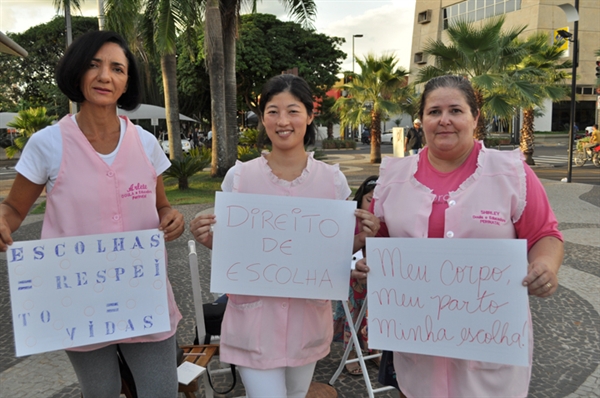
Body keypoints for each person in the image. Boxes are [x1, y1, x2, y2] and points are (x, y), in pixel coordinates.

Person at [353, 75, 564, 398]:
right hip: (418, 347)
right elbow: (382, 241)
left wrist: (545, 267)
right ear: (421, 119)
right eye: (434, 111)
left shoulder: (511, 173)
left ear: (475, 117)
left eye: (456, 110)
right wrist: (370, 260)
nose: (445, 120)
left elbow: (544, 234)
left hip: (490, 350)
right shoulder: (394, 177)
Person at [0, 31, 185, 398]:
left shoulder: (146, 143)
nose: (105, 76)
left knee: (160, 391)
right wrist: (2, 221)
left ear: (127, 81)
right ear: (76, 72)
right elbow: (14, 208)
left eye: (117, 68)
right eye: (93, 65)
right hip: (78, 299)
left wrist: (172, 217)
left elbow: (161, 205)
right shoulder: (48, 144)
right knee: (100, 392)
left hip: (143, 295)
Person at [190, 74, 374, 397]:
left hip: (307, 324)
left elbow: (334, 251)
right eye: (272, 111)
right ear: (262, 118)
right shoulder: (240, 178)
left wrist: (359, 246)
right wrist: (210, 240)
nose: (282, 121)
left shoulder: (332, 181)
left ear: (310, 115)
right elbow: (233, 248)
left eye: (293, 110)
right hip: (253, 326)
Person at [332, 175, 380, 376]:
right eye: (369, 200)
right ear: (361, 198)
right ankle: (350, 353)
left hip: (377, 277)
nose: (373, 206)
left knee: (377, 314)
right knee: (353, 314)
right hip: (352, 277)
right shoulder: (349, 219)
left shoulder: (386, 220)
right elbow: (338, 249)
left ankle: (376, 349)